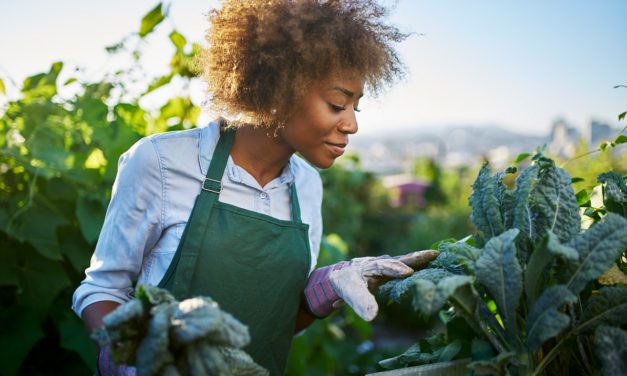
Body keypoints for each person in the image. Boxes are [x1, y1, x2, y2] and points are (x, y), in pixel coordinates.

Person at [72, 0, 437, 375]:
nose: (351, 125)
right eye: (336, 104)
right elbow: (102, 291)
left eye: (355, 107)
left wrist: (322, 293)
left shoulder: (307, 187)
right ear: (279, 88)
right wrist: (131, 362)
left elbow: (273, 327)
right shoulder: (162, 162)